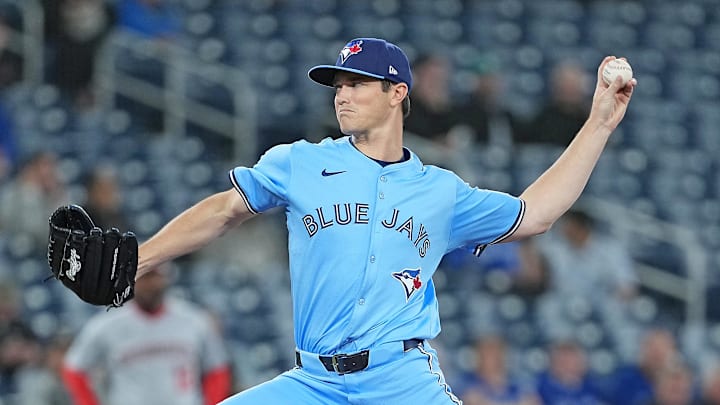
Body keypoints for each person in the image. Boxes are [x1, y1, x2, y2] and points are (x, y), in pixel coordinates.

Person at [132, 37, 636, 404]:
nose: (342, 94)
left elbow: (536, 215)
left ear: (397, 93)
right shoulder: (301, 162)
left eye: (356, 83)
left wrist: (599, 123)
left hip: (402, 382)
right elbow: (223, 210)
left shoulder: (440, 192)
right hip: (315, 383)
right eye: (337, 84)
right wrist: (139, 260)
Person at [61, 263, 232, 405]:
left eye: (154, 277)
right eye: (143, 277)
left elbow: (218, 370)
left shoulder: (195, 320)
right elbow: (74, 369)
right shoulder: (106, 325)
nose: (149, 284)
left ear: (166, 279)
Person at [519, 61, 591, 146]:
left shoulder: (589, 119)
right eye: (566, 84)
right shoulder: (543, 117)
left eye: (573, 84)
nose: (569, 90)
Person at [453, 334, 540, 405]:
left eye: (496, 349)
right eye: (486, 350)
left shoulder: (519, 385)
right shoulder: (466, 385)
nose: (492, 356)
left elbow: (532, 400)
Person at [535, 339, 603, 405]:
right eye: (563, 363)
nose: (569, 368)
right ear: (553, 365)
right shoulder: (540, 389)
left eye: (573, 363)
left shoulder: (593, 388)